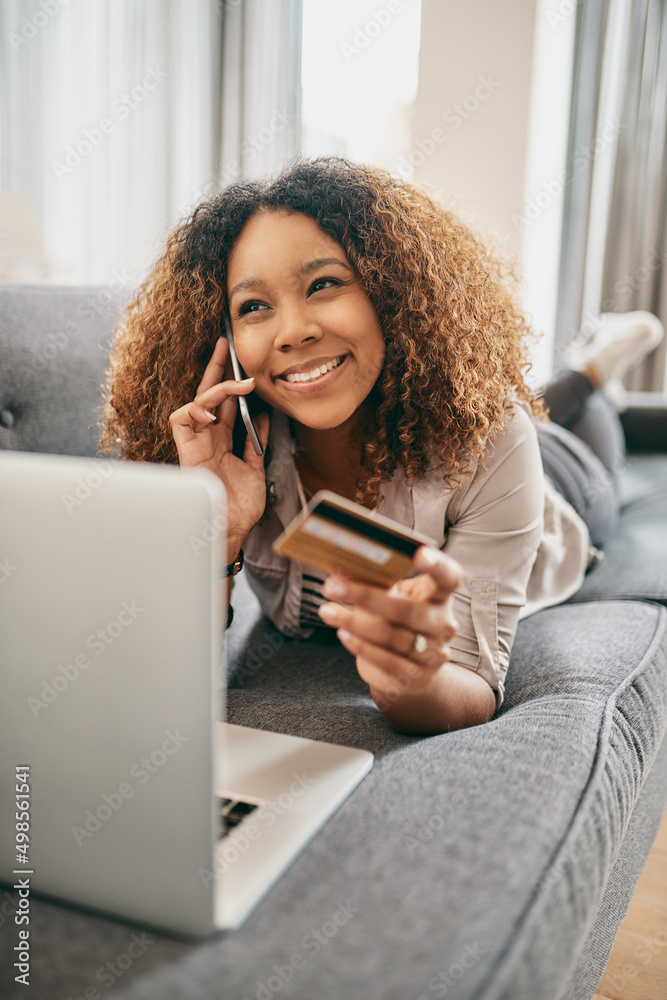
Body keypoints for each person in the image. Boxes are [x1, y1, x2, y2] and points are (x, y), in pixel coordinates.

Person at [100, 157, 664, 737]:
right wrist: (217, 530)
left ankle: (594, 371)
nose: (293, 331)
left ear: (389, 293)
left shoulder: (491, 435)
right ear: (225, 339)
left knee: (579, 432)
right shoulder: (225, 450)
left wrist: (412, 682)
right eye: (254, 306)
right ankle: (589, 371)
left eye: (324, 284)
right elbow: (169, 676)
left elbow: (471, 682)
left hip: (561, 492)